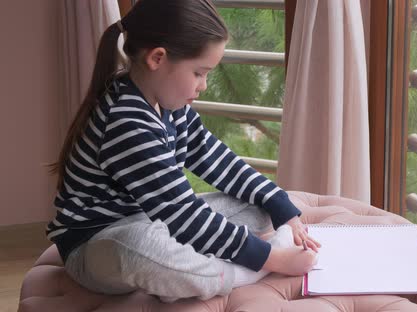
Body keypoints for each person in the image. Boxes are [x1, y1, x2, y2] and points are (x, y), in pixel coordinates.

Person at [46, 0, 319, 302]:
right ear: (158, 58)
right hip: (97, 244)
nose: (203, 85)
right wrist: (272, 260)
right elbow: (180, 213)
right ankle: (235, 274)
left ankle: (193, 266)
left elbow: (219, 161)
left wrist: (280, 206)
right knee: (142, 248)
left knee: (261, 208)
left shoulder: (170, 105)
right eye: (199, 72)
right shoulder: (126, 121)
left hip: (152, 218)